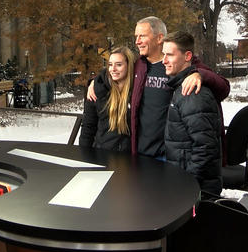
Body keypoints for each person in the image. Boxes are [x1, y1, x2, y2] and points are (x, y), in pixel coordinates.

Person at [88, 16, 229, 158]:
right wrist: (95, 82)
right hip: (139, 153)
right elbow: (115, 72)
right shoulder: (138, 66)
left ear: (159, 38)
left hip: (168, 155)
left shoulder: (176, 64)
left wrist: (200, 74)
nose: (137, 41)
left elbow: (223, 87)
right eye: (136, 36)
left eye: (142, 36)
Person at [162, 31, 222, 196]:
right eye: (163, 54)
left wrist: (186, 182)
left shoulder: (192, 93)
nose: (164, 60)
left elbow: (205, 147)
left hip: (195, 189)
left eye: (169, 55)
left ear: (187, 56)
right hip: (187, 183)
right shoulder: (181, 88)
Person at [79, 46, 134, 152]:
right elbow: (88, 127)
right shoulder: (98, 90)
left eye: (119, 65)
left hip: (130, 159)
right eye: (110, 64)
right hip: (102, 155)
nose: (113, 69)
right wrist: (84, 155)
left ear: (129, 66)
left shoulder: (136, 91)